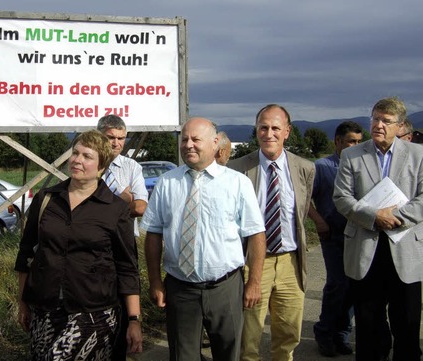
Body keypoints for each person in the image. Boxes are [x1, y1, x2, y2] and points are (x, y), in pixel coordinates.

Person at [142, 117, 266, 361]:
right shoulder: (167, 182)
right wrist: (155, 281)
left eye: (196, 139)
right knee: (182, 356)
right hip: (180, 288)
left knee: (228, 354)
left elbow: (255, 234)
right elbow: (153, 233)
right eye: (185, 139)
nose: (188, 145)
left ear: (215, 142)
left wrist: (254, 282)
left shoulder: (237, 183)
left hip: (225, 288)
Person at [15, 130, 142, 360]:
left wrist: (134, 320)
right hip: (45, 309)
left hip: (94, 313)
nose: (77, 160)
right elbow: (26, 254)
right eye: (75, 153)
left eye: (87, 156)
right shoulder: (46, 199)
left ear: (101, 166)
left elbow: (127, 267)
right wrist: (22, 302)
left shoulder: (114, 209)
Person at [333, 97, 423, 361]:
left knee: (406, 324)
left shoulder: (418, 154)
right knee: (368, 324)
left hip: (404, 247)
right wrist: (374, 216)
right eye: (375, 119)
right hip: (365, 248)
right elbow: (341, 198)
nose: (378, 125)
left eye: (386, 121)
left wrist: (393, 216)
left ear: (400, 126)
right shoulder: (352, 154)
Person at [228, 104, 315, 361]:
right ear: (256, 131)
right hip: (251, 263)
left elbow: (302, 210)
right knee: (249, 334)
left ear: (287, 131)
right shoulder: (237, 169)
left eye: (276, 128)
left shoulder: (305, 168)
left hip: (290, 261)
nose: (269, 134)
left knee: (289, 332)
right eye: (263, 128)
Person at [307, 121, 362, 357]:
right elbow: (305, 199)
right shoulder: (322, 167)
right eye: (351, 141)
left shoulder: (362, 165)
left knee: (353, 287)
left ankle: (342, 335)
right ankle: (324, 332)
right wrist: (319, 221)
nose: (355, 146)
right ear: (337, 141)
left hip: (358, 235)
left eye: (359, 142)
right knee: (337, 285)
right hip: (333, 234)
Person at [96, 114, 149, 359]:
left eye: (121, 138)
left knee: (124, 301)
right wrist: (123, 198)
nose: (116, 143)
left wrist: (124, 200)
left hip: (123, 243)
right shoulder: (88, 163)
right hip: (94, 244)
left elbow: (139, 207)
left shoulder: (131, 167)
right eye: (110, 138)